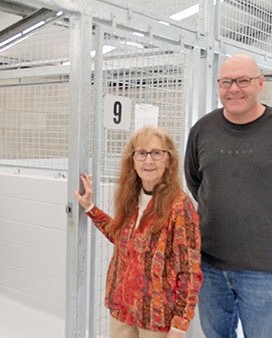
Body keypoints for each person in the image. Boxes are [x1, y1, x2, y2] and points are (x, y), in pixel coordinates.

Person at [184, 54, 272, 338]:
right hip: (210, 264)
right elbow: (195, 181)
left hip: (266, 268)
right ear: (219, 86)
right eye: (226, 82)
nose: (234, 88)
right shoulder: (202, 130)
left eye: (243, 80)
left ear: (260, 83)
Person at [74, 127, 202, 338]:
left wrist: (180, 325)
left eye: (156, 153)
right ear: (132, 160)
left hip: (155, 316)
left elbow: (189, 271)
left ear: (169, 160)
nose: (148, 161)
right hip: (122, 308)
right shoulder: (131, 199)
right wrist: (90, 208)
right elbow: (122, 238)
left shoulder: (180, 206)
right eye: (141, 153)